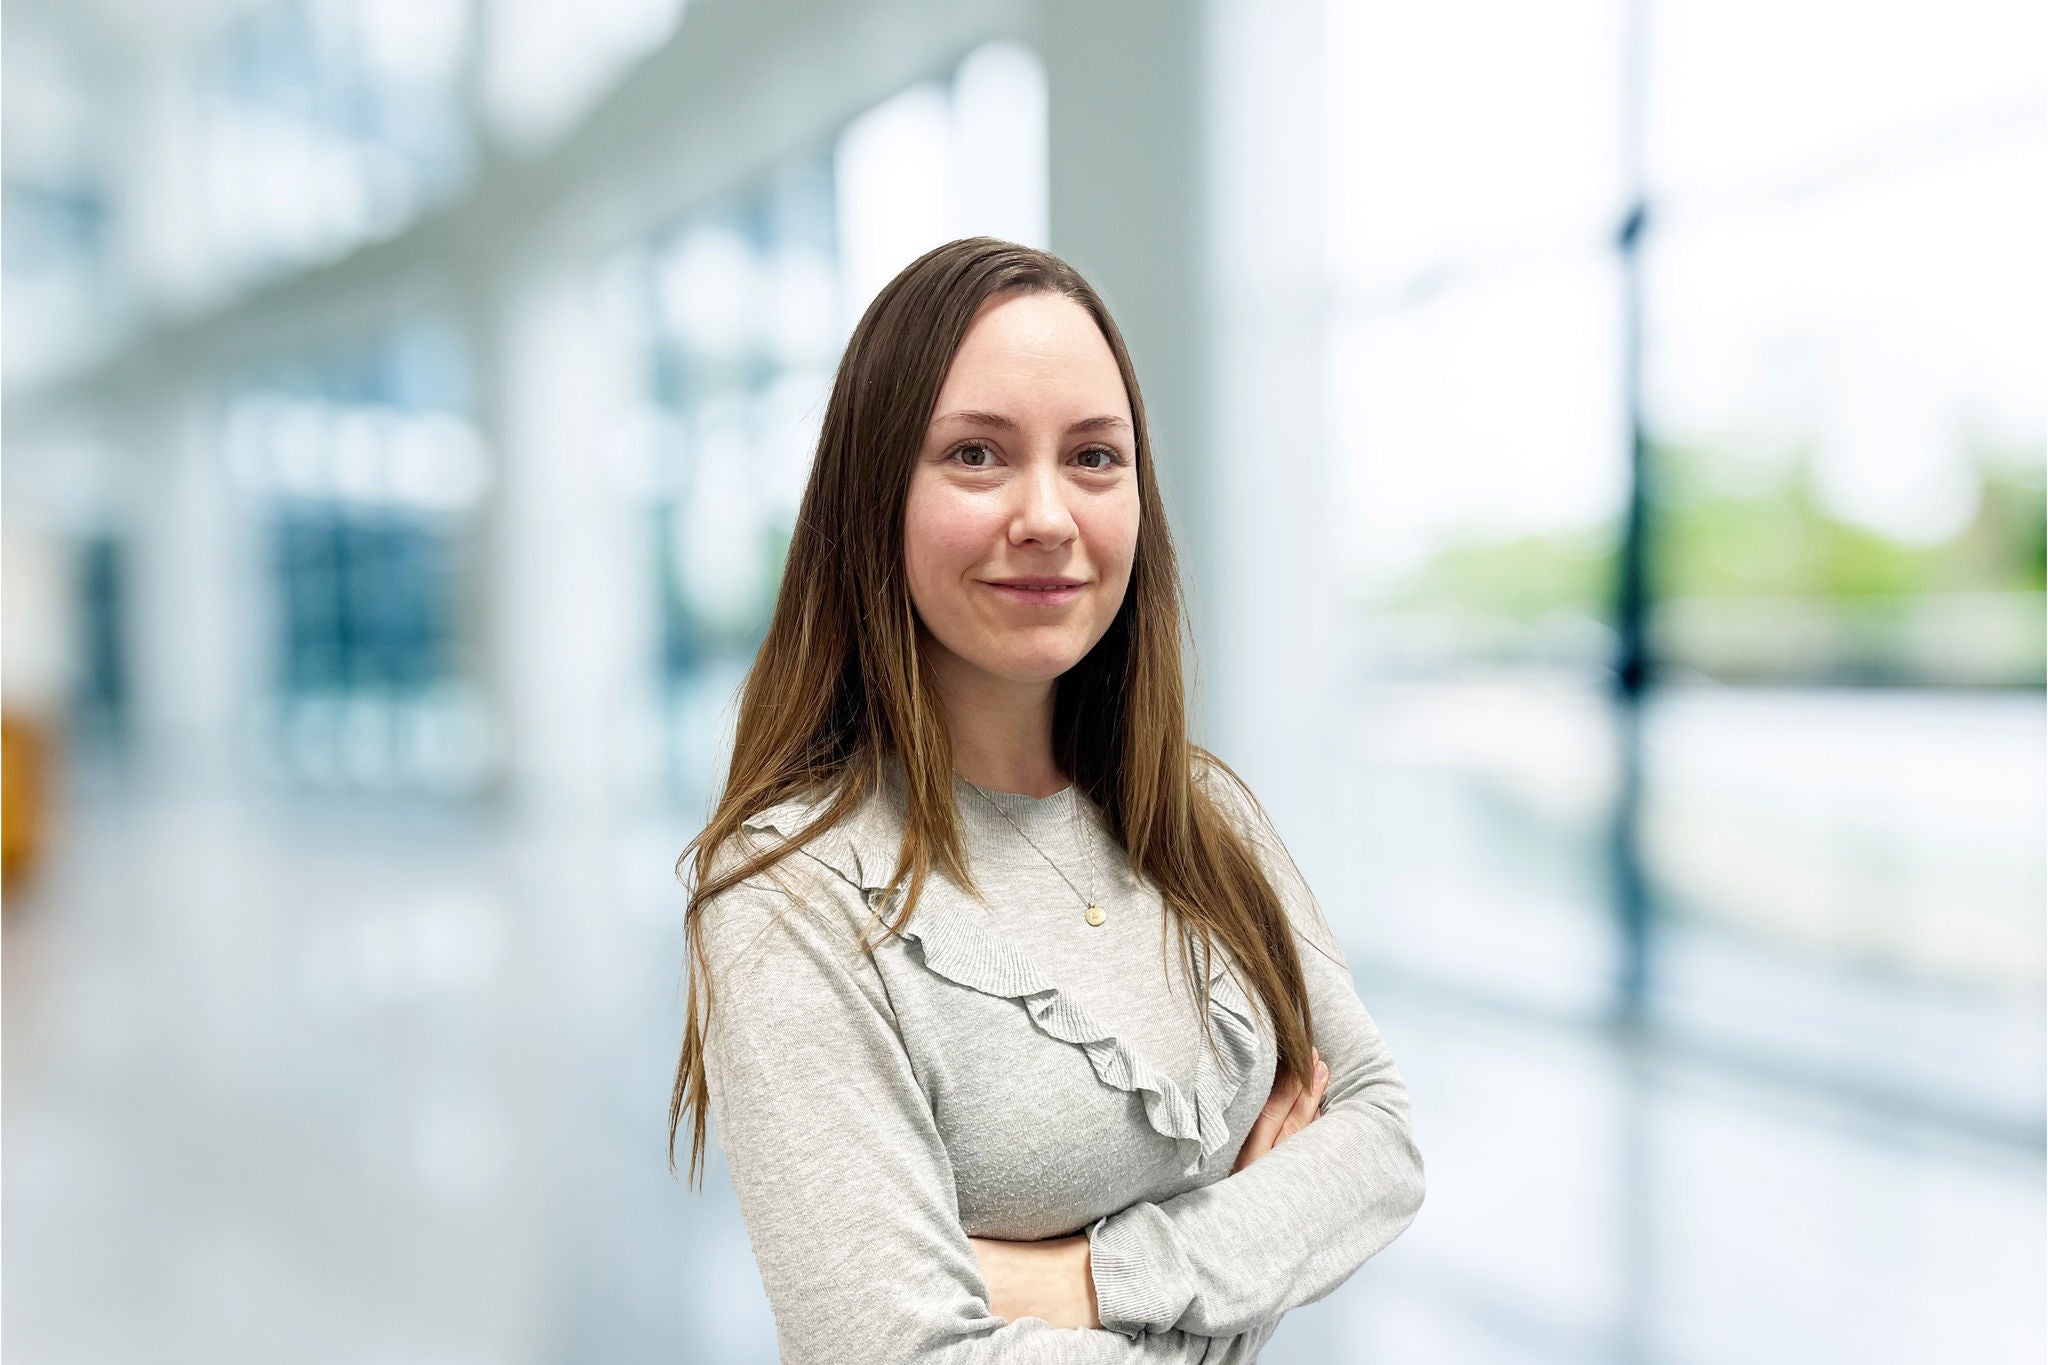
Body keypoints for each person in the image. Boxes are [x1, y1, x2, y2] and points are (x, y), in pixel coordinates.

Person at [667, 237, 1425, 1362]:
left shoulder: (1201, 817)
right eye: (975, 455)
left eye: (1092, 458)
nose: (1046, 516)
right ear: (873, 494)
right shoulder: (788, 897)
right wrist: (1252, 1246)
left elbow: (1379, 1141)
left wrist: (1084, 1278)